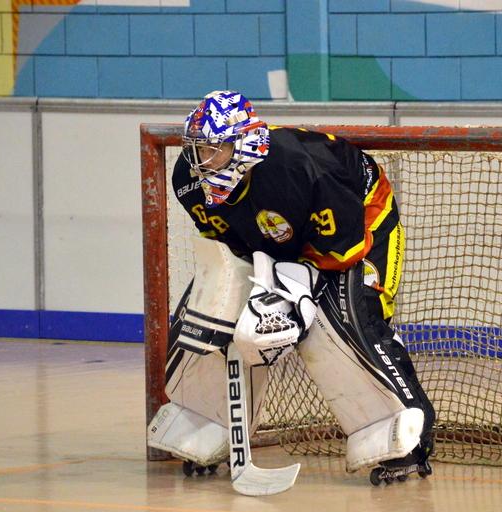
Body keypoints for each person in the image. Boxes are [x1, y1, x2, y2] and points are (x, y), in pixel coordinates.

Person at [147, 90, 435, 486]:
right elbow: (230, 246)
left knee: (347, 317)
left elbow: (342, 249)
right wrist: (255, 294)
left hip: (362, 218)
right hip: (281, 237)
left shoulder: (304, 169)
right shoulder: (189, 180)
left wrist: (293, 294)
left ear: (245, 145)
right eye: (198, 149)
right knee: (217, 310)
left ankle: (405, 434)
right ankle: (210, 421)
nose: (202, 162)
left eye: (215, 150)